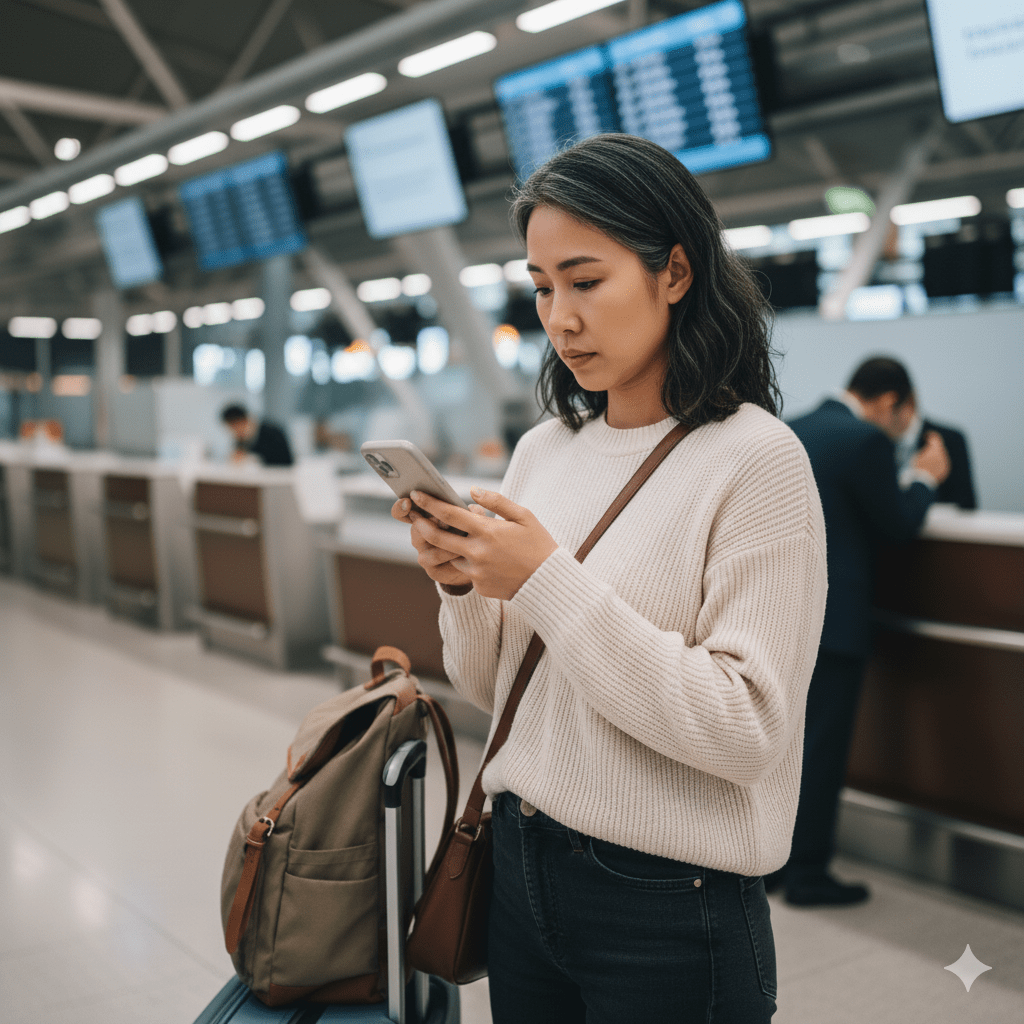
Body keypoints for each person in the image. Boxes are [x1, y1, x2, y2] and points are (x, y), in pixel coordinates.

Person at [391, 134, 827, 1023]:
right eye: (543, 286)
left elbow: (747, 727)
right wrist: (465, 585)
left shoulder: (757, 461)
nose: (559, 318)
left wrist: (545, 578)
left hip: (669, 904)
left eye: (586, 281)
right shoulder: (544, 450)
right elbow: (494, 686)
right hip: (516, 868)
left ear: (674, 272)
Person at [777, 358, 951, 906]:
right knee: (823, 752)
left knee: (788, 753)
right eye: (907, 416)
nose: (905, 427)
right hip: (837, 623)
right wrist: (925, 477)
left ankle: (775, 865)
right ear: (889, 402)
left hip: (785, 617)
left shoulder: (792, 427)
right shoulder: (865, 440)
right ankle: (808, 874)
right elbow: (896, 524)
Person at [884, 362, 976, 509]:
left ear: (910, 402)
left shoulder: (950, 439)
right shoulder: (872, 440)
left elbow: (966, 504)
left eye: (886, 409)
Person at [220, 404, 293, 467]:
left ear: (243, 421)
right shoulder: (241, 439)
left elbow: (284, 462)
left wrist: (249, 458)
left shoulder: (272, 433)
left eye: (234, 427)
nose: (234, 432)